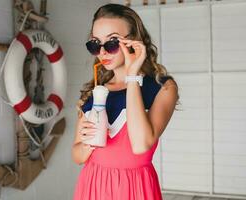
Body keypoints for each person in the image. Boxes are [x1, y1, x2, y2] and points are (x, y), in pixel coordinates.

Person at [72, 3, 179, 200]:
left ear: (134, 42)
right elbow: (77, 156)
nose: (103, 52)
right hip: (92, 185)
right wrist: (89, 143)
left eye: (112, 42)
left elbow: (140, 145)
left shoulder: (162, 88)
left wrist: (132, 76)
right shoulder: (93, 92)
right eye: (95, 43)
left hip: (135, 188)